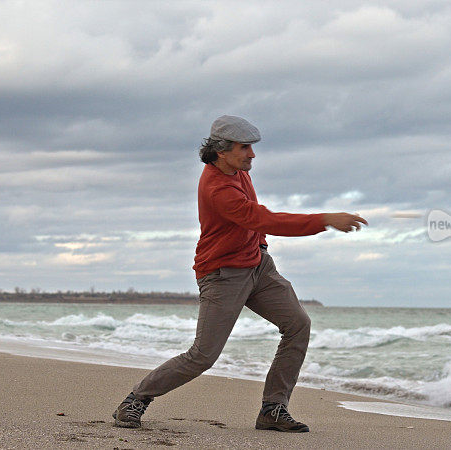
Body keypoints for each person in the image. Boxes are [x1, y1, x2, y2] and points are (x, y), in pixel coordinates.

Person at [113, 115, 367, 432]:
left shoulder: (237, 170)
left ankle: (273, 409)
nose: (252, 154)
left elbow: (257, 221)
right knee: (202, 356)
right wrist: (324, 219)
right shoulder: (217, 188)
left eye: (252, 146)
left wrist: (259, 248)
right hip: (223, 274)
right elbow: (265, 219)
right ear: (222, 150)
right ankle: (135, 399)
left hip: (257, 266)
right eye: (245, 147)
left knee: (298, 324)